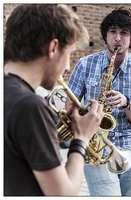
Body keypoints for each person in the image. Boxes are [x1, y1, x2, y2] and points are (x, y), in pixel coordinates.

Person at [4, 4, 104, 195]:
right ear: (53, 48)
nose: (67, 67)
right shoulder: (30, 106)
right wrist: (81, 138)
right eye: (69, 55)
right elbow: (64, 194)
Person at [67, 9, 131, 196]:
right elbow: (69, 108)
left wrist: (126, 103)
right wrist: (86, 111)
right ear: (105, 36)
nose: (117, 38)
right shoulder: (84, 64)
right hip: (97, 148)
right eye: (113, 31)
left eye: (124, 33)